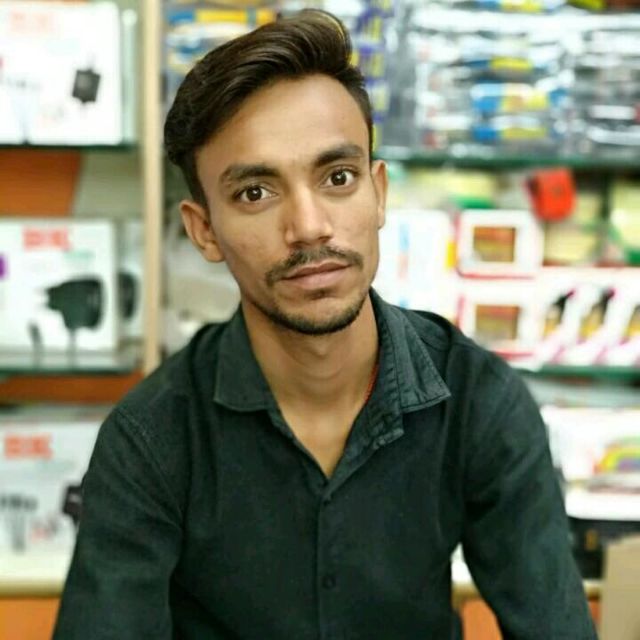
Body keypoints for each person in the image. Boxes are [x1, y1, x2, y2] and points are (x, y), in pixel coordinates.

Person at [53, 10, 597, 639]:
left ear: (378, 192)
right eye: (256, 193)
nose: (309, 227)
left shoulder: (479, 402)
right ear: (204, 231)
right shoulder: (152, 438)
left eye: (338, 178)